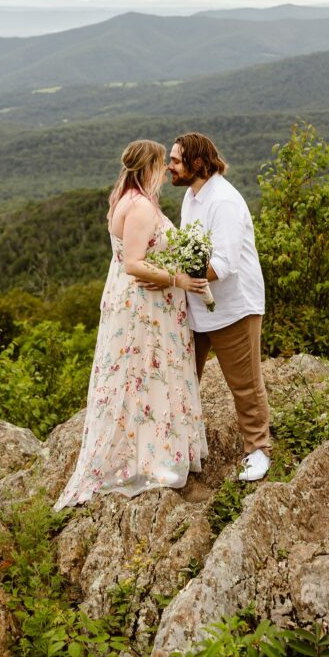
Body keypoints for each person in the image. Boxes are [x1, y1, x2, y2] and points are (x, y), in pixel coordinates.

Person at [54, 140, 208, 509]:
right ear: (150, 167)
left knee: (135, 377)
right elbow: (134, 264)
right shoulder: (138, 207)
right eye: (161, 164)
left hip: (138, 303)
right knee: (145, 377)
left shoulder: (124, 198)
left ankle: (147, 453)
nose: (165, 170)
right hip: (145, 307)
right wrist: (180, 280)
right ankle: (153, 461)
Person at [168, 132, 270, 482]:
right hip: (197, 307)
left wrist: (178, 276)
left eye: (176, 160)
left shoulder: (223, 201)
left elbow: (224, 264)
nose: (170, 166)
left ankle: (258, 450)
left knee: (244, 383)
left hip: (234, 308)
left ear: (198, 163)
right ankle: (180, 448)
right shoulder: (192, 197)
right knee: (182, 378)